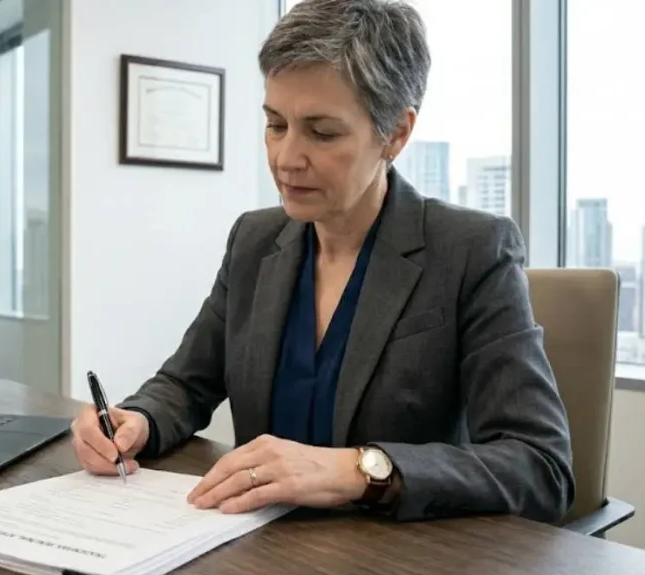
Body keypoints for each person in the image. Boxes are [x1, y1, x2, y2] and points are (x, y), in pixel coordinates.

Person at [69, 0, 574, 523]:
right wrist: (137, 420)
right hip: (252, 546)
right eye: (275, 124)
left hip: (394, 558)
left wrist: (357, 470)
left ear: (395, 134)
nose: (286, 158)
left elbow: (539, 467)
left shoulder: (472, 250)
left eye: (322, 132)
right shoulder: (254, 240)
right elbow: (185, 383)